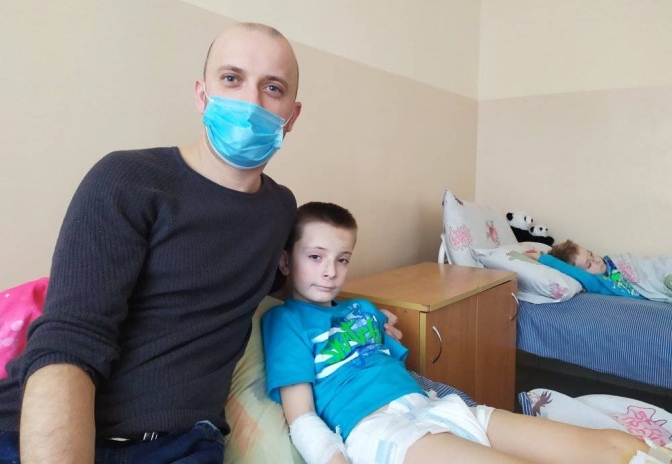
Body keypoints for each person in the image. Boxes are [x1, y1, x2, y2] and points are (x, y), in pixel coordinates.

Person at [0, 23, 405, 464]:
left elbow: (299, 285)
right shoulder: (126, 180)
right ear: (201, 94)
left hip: (184, 443)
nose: (251, 103)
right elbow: (68, 342)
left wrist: (359, 322)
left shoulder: (280, 210)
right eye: (231, 79)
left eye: (272, 88)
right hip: (39, 435)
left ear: (292, 116)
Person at [262, 201, 668, 464]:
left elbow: (392, 357)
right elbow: (302, 419)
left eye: (342, 259)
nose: (330, 271)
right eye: (315, 257)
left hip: (434, 407)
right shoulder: (284, 321)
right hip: (379, 430)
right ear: (284, 261)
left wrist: (382, 326)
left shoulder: (362, 309)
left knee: (613, 445)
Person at [524, 240, 645, 299]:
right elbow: (572, 271)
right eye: (589, 265)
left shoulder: (610, 264)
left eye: (590, 254)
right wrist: (542, 258)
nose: (596, 260)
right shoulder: (597, 282)